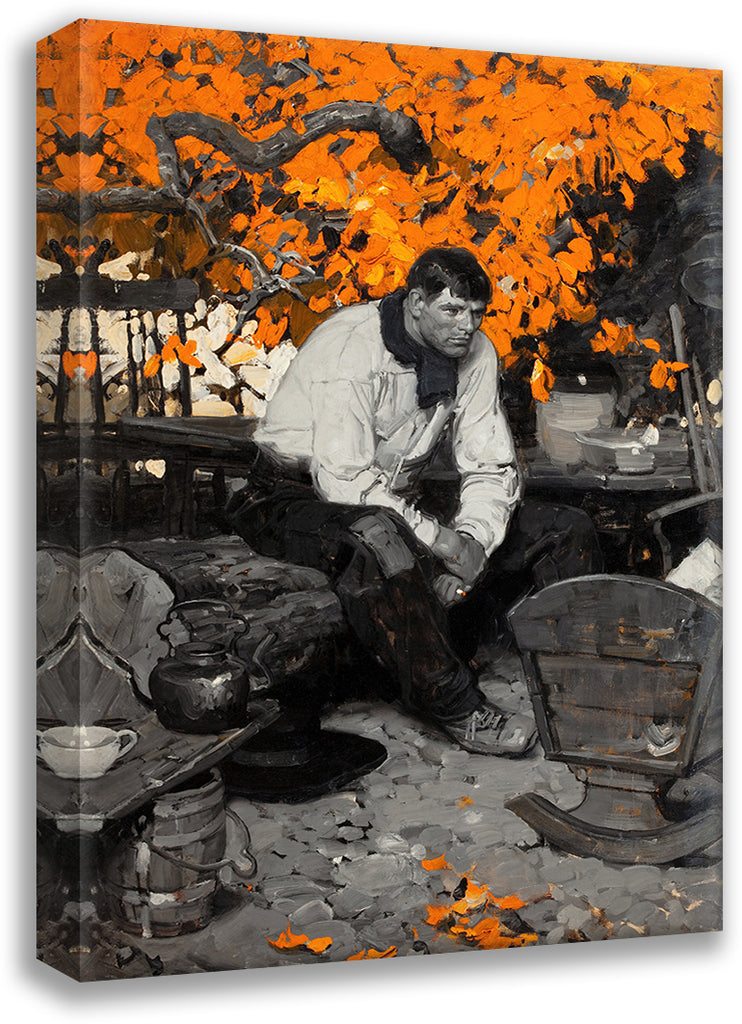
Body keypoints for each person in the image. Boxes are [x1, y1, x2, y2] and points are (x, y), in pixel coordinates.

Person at [227, 247, 602, 756]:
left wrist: (473, 539)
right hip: (289, 498)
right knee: (378, 534)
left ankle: (591, 687)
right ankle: (457, 706)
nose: (467, 326)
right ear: (417, 303)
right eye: (453, 310)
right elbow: (344, 481)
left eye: (476, 313)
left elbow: (490, 465)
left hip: (398, 497)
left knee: (565, 527)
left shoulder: (476, 352)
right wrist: (441, 542)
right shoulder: (350, 346)